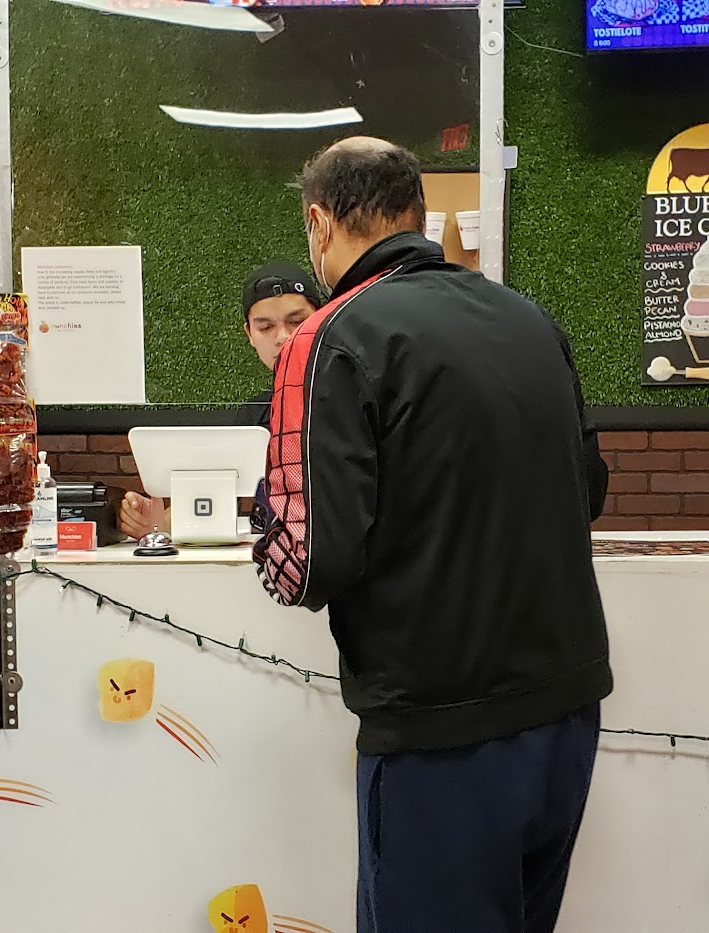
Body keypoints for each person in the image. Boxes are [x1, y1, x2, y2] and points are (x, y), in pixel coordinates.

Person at [254, 137, 611, 932]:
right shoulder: (528, 319)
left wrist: (263, 524)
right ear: (417, 213)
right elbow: (588, 489)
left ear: (319, 223)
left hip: (441, 731)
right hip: (566, 710)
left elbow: (306, 564)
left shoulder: (330, 337)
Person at [117, 262, 323, 539]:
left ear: (322, 320)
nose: (283, 337)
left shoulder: (352, 396)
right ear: (249, 335)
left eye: (296, 322)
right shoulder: (255, 416)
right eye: (265, 327)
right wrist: (157, 524)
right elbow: (212, 498)